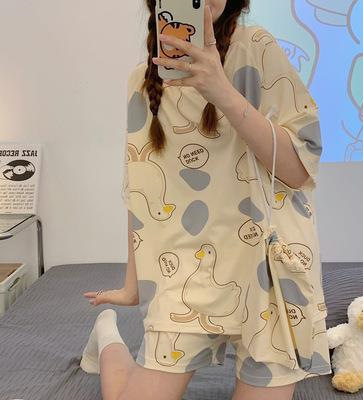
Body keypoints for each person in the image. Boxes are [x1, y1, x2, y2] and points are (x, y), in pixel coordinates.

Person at [79, 1, 332, 399]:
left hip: (265, 275)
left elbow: (299, 170)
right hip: (183, 275)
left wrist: (223, 91)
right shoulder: (140, 84)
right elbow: (143, 191)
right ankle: (107, 334)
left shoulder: (258, 48)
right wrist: (132, 286)